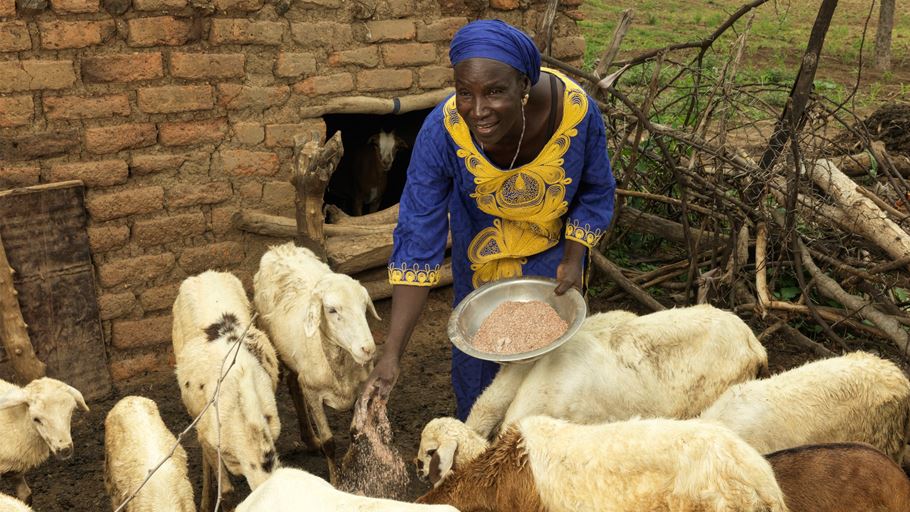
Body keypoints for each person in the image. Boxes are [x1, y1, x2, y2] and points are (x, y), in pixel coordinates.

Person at [357, 19, 616, 421]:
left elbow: (597, 190)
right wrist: (392, 355)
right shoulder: (443, 132)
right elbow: (417, 235)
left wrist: (574, 255)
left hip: (553, 268)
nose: (478, 110)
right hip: (480, 265)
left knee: (549, 390)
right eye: (465, 93)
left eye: (495, 92)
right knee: (477, 386)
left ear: (524, 87)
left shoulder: (577, 116)